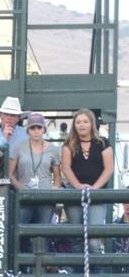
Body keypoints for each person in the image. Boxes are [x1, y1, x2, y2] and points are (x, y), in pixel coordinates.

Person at [60, 108, 114, 253]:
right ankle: (78, 274)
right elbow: (66, 168)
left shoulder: (103, 143)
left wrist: (95, 188)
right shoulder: (68, 144)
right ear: (74, 125)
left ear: (92, 123)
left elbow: (109, 168)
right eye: (78, 122)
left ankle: (96, 274)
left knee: (94, 241)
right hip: (74, 193)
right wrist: (78, 186)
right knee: (77, 238)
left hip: (96, 194)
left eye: (85, 121)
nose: (81, 125)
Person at [8, 112, 60, 253]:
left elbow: (57, 175)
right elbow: (10, 173)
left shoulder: (53, 149)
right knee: (21, 233)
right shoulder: (18, 147)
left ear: (44, 129)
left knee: (43, 235)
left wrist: (54, 189)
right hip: (24, 197)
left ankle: (41, 269)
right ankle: (22, 269)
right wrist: (20, 187)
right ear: (28, 130)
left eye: (39, 127)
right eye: (33, 128)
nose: (36, 131)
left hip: (45, 197)